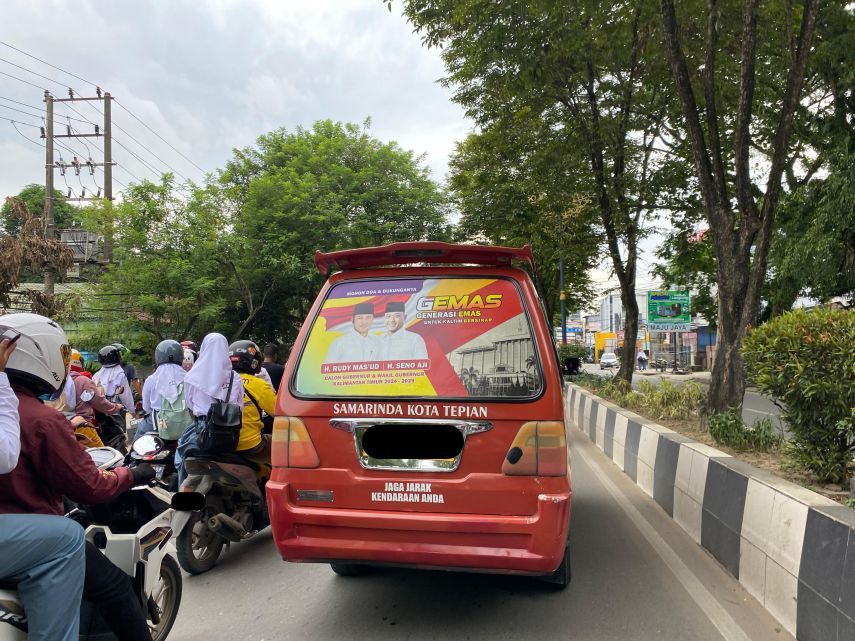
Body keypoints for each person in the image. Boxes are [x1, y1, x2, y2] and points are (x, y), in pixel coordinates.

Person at [0, 313, 155, 641]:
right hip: (31, 528)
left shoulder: (83, 384)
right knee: (114, 586)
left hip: (89, 426)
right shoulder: (42, 418)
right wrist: (131, 473)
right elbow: (90, 486)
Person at [175, 333, 244, 483]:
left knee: (181, 453)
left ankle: (179, 490)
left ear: (204, 349)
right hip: (230, 434)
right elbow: (239, 408)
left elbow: (190, 405)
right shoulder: (235, 377)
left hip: (201, 430)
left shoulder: (191, 377)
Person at [229, 340, 277, 475]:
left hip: (221, 443)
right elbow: (281, 412)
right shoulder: (259, 385)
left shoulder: (218, 382)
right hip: (250, 445)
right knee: (288, 445)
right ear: (254, 362)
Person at [138, 339, 188, 438]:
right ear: (181, 356)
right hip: (184, 423)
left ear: (158, 357)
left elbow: (146, 407)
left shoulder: (151, 379)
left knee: (137, 444)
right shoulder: (188, 378)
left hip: (157, 424)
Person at [93, 344, 134, 412]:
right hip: (115, 409)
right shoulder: (119, 375)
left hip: (99, 409)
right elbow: (126, 396)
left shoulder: (96, 375)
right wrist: (132, 411)